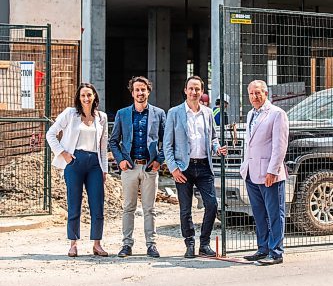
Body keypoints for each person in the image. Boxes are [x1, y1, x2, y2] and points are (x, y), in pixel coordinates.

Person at [163, 75, 227, 258]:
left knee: (212, 205)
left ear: (202, 92)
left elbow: (213, 138)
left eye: (197, 89)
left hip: (204, 166)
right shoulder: (174, 113)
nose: (194, 92)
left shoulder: (207, 113)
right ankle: (189, 243)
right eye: (191, 88)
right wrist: (174, 169)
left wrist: (217, 148)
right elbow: (167, 144)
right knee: (185, 208)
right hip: (184, 167)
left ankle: (204, 244)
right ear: (185, 90)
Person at [46, 82, 108, 258]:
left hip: (95, 163)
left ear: (95, 96)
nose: (86, 98)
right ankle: (73, 244)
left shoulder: (101, 117)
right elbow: (50, 134)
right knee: (74, 204)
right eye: (83, 95)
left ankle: (97, 243)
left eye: (89, 95)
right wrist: (62, 153)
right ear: (78, 98)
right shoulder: (70, 114)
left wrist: (104, 169)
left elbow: (103, 147)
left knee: (97, 205)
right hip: (75, 163)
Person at [110, 76, 166, 258]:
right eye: (137, 90)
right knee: (128, 207)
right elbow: (113, 141)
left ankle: (151, 245)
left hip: (150, 167)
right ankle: (127, 245)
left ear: (148, 91)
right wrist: (120, 161)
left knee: (150, 208)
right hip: (130, 167)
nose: (140, 93)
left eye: (143, 89)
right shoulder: (123, 114)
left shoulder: (158, 114)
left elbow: (166, 141)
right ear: (132, 93)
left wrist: (159, 160)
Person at [241, 80, 289, 265]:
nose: (255, 96)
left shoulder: (277, 114)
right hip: (251, 173)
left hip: (269, 174)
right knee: (259, 213)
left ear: (266, 93)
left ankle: (276, 252)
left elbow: (280, 146)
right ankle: (263, 248)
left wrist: (273, 170)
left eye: (258, 93)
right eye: (251, 93)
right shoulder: (251, 114)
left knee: (275, 213)